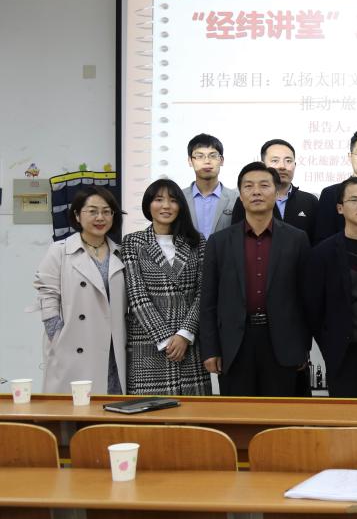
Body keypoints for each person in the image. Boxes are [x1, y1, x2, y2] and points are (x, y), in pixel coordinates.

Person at [200, 162, 311, 396]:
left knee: (279, 414)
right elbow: (208, 300)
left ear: (276, 192)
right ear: (240, 196)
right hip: (234, 344)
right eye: (249, 186)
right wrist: (210, 349)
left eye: (264, 185)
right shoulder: (219, 242)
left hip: (282, 344)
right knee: (238, 414)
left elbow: (305, 300)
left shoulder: (297, 239)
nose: (256, 192)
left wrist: (302, 347)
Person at [304, 176, 357, 398]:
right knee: (344, 419)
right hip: (342, 355)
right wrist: (329, 345)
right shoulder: (322, 254)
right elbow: (313, 309)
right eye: (354, 200)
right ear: (340, 208)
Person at [33, 186, 126, 395]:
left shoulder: (120, 253)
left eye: (106, 211)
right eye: (92, 211)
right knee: (73, 408)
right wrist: (57, 335)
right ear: (77, 215)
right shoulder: (60, 251)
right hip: (73, 348)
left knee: (110, 406)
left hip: (111, 350)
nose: (100, 217)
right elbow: (47, 295)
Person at [121, 180, 210, 395]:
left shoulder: (197, 241)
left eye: (173, 200)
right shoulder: (133, 242)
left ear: (181, 206)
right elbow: (137, 296)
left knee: (192, 411)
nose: (166, 206)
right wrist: (166, 339)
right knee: (150, 411)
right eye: (158, 200)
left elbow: (203, 293)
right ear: (148, 205)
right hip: (149, 342)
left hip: (189, 342)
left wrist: (184, 334)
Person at [231, 139, 318, 241]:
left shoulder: (310, 201)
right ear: (263, 164)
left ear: (295, 165)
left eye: (288, 161)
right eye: (275, 160)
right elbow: (235, 238)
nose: (282, 166)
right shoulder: (248, 200)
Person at [183, 133, 237, 239]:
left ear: (221, 160)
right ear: (190, 161)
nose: (207, 161)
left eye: (213, 156)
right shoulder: (179, 198)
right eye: (199, 156)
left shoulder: (236, 198)